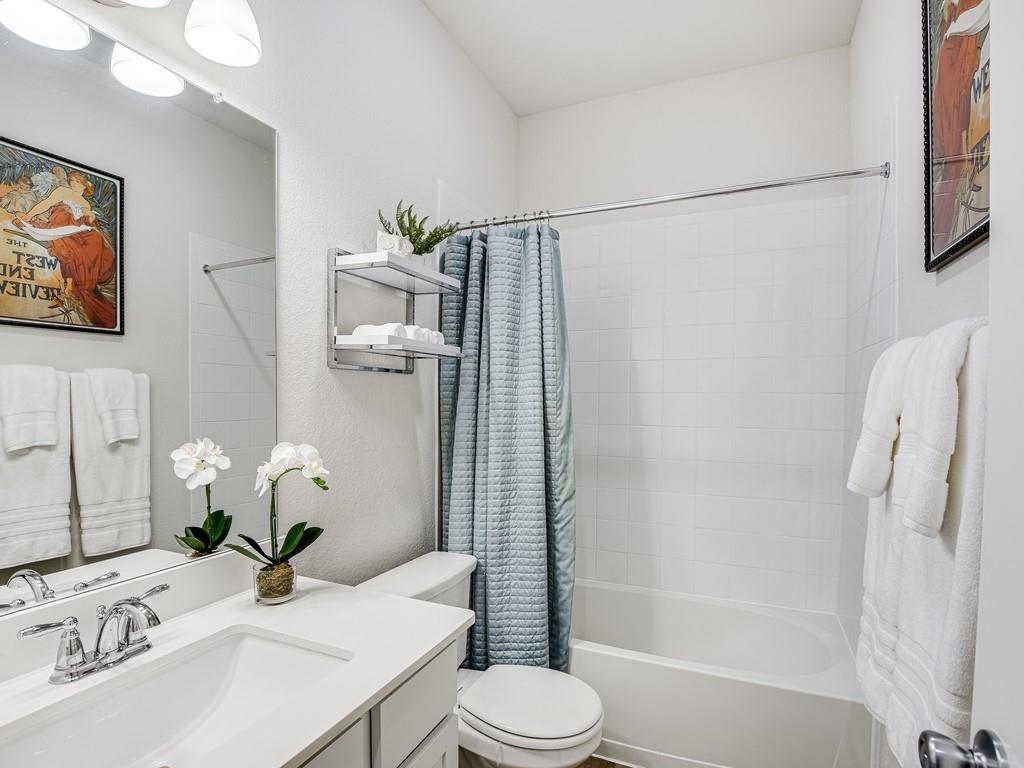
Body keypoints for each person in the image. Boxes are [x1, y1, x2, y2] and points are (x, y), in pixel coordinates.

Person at [15, 170, 117, 328]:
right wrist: (28, 216)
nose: (74, 184)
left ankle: (80, 282)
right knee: (67, 244)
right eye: (72, 181)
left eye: (78, 182)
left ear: (85, 186)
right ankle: (71, 281)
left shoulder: (86, 203)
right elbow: (45, 204)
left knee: (95, 239)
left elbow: (88, 223)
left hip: (78, 231)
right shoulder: (63, 191)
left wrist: (90, 217)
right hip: (61, 226)